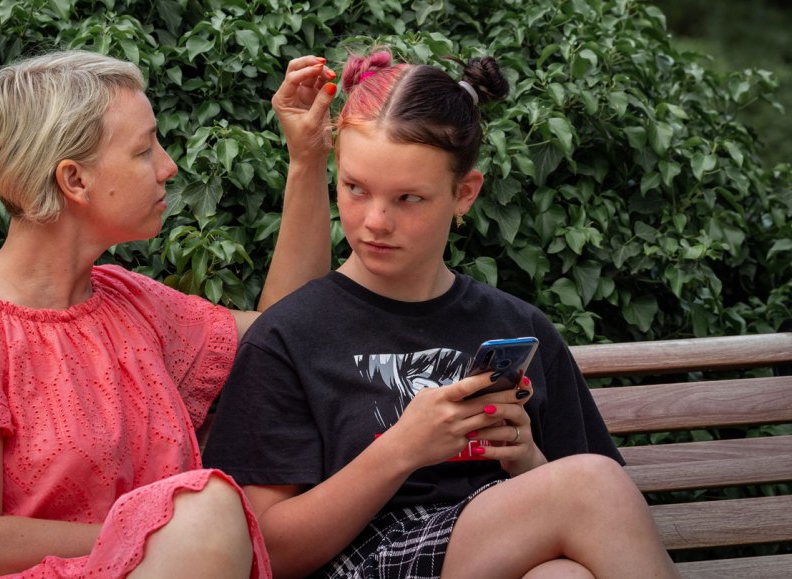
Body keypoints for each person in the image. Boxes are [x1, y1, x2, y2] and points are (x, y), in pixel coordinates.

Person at [0, 49, 338, 578]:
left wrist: (307, 158)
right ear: (74, 180)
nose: (169, 167)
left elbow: (290, 325)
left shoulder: (131, 303)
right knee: (210, 506)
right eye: (144, 148)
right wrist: (175, 534)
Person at [202, 49, 682, 579]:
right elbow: (261, 551)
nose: (375, 222)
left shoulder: (518, 326)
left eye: (409, 198)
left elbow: (592, 511)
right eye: (355, 189)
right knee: (588, 485)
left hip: (485, 550)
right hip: (359, 561)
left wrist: (524, 460)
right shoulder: (288, 337)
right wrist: (401, 450)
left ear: (464, 194)